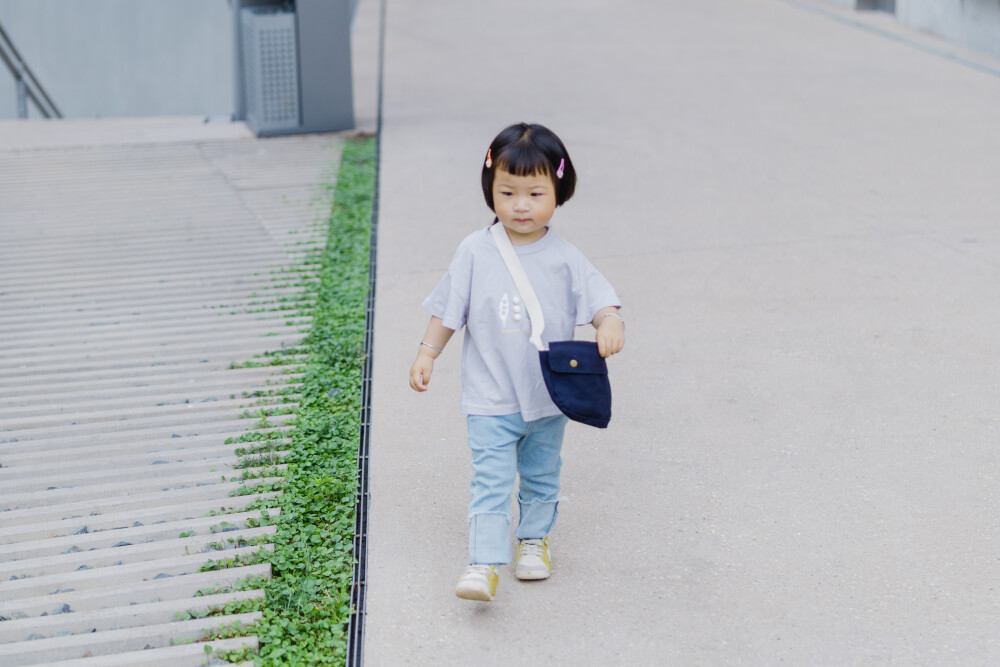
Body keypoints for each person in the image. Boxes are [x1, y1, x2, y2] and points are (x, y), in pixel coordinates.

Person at [409, 122, 625, 602]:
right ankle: (483, 562)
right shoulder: (474, 251)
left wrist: (610, 322)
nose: (520, 205)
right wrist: (428, 352)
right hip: (490, 396)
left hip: (547, 396)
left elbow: (601, 300)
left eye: (534, 192)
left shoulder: (566, 258)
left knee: (542, 471)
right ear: (490, 188)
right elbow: (448, 310)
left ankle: (534, 540)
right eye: (507, 192)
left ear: (558, 191)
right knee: (490, 478)